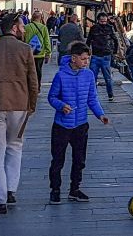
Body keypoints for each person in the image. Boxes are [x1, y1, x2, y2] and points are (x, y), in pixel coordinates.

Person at [0, 17, 40, 215]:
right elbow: (33, 81)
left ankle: (0, 200)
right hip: (19, 105)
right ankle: (11, 189)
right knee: (15, 147)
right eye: (22, 26)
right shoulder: (25, 50)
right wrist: (32, 106)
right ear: (14, 28)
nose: (24, 29)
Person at [48, 43, 109, 204]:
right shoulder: (60, 76)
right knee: (58, 160)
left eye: (87, 58)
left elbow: (92, 98)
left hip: (81, 123)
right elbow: (52, 97)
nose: (86, 62)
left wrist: (100, 114)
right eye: (83, 59)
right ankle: (55, 189)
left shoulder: (88, 75)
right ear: (73, 58)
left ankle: (75, 189)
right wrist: (62, 106)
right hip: (62, 125)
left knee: (79, 159)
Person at [87, 14, 121, 101]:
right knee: (92, 77)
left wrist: (114, 52)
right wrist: (87, 53)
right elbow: (88, 41)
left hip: (106, 55)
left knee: (108, 78)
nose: (103, 23)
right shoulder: (94, 28)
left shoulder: (109, 27)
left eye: (105, 21)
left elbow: (115, 40)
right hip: (96, 55)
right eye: (102, 21)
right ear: (98, 20)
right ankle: (93, 96)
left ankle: (110, 95)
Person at [25, 16, 52, 81]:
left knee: (29, 71)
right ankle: (38, 86)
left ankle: (30, 85)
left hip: (29, 53)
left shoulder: (27, 27)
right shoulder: (43, 27)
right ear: (40, 18)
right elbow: (47, 41)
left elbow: (23, 39)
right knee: (38, 71)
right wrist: (48, 53)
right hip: (40, 53)